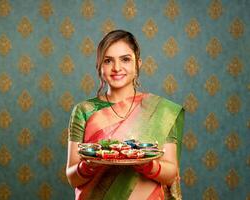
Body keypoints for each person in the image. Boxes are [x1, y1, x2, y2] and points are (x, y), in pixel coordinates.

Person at [66, 30, 184, 200]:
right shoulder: (84, 110)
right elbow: (72, 177)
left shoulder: (161, 111)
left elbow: (170, 174)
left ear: (138, 64)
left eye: (125, 59)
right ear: (99, 66)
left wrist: (147, 164)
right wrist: (89, 166)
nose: (116, 68)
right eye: (108, 61)